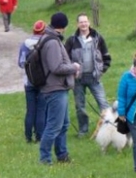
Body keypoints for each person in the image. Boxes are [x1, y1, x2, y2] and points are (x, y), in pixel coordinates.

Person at [38, 12, 80, 165]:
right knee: (54, 126)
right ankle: (45, 159)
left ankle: (62, 155)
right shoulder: (52, 42)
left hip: (59, 87)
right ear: (63, 27)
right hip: (54, 88)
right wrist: (73, 67)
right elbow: (56, 67)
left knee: (63, 125)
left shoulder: (51, 39)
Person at [64, 14, 111, 137]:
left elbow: (106, 56)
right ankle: (83, 130)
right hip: (78, 79)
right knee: (80, 106)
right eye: (81, 22)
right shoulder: (72, 40)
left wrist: (101, 70)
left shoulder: (98, 38)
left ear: (89, 23)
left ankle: (109, 128)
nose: (83, 24)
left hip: (94, 77)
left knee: (103, 103)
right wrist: (71, 72)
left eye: (85, 22)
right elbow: (64, 59)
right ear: (77, 24)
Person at [18, 20, 48, 143]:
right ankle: (39, 136)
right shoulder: (46, 43)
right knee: (41, 109)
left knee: (30, 109)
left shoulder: (25, 44)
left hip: (28, 82)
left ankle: (28, 136)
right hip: (43, 82)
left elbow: (20, 63)